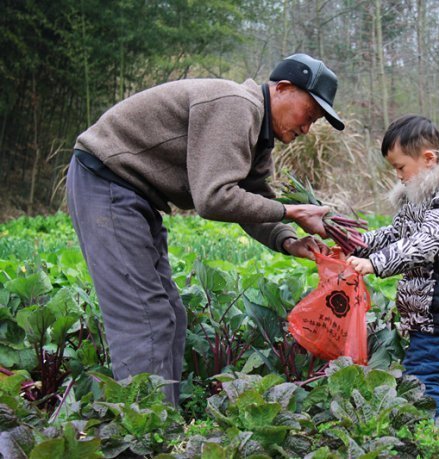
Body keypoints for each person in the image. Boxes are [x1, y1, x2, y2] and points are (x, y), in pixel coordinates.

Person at [65, 53, 344, 405]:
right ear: (284, 88)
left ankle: (159, 420)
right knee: (145, 316)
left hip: (134, 196)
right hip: (106, 183)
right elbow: (214, 198)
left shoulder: (259, 134)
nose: (307, 128)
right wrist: (290, 210)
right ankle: (141, 431)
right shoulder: (236, 105)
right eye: (310, 114)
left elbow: (251, 199)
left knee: (169, 315)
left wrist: (288, 240)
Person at [346, 115, 439, 417]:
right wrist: (355, 242)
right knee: (437, 378)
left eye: (400, 167)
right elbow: (395, 235)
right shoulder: (419, 200)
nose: (397, 175)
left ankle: (427, 437)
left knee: (421, 377)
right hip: (432, 310)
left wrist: (375, 263)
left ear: (427, 159)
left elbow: (426, 243)